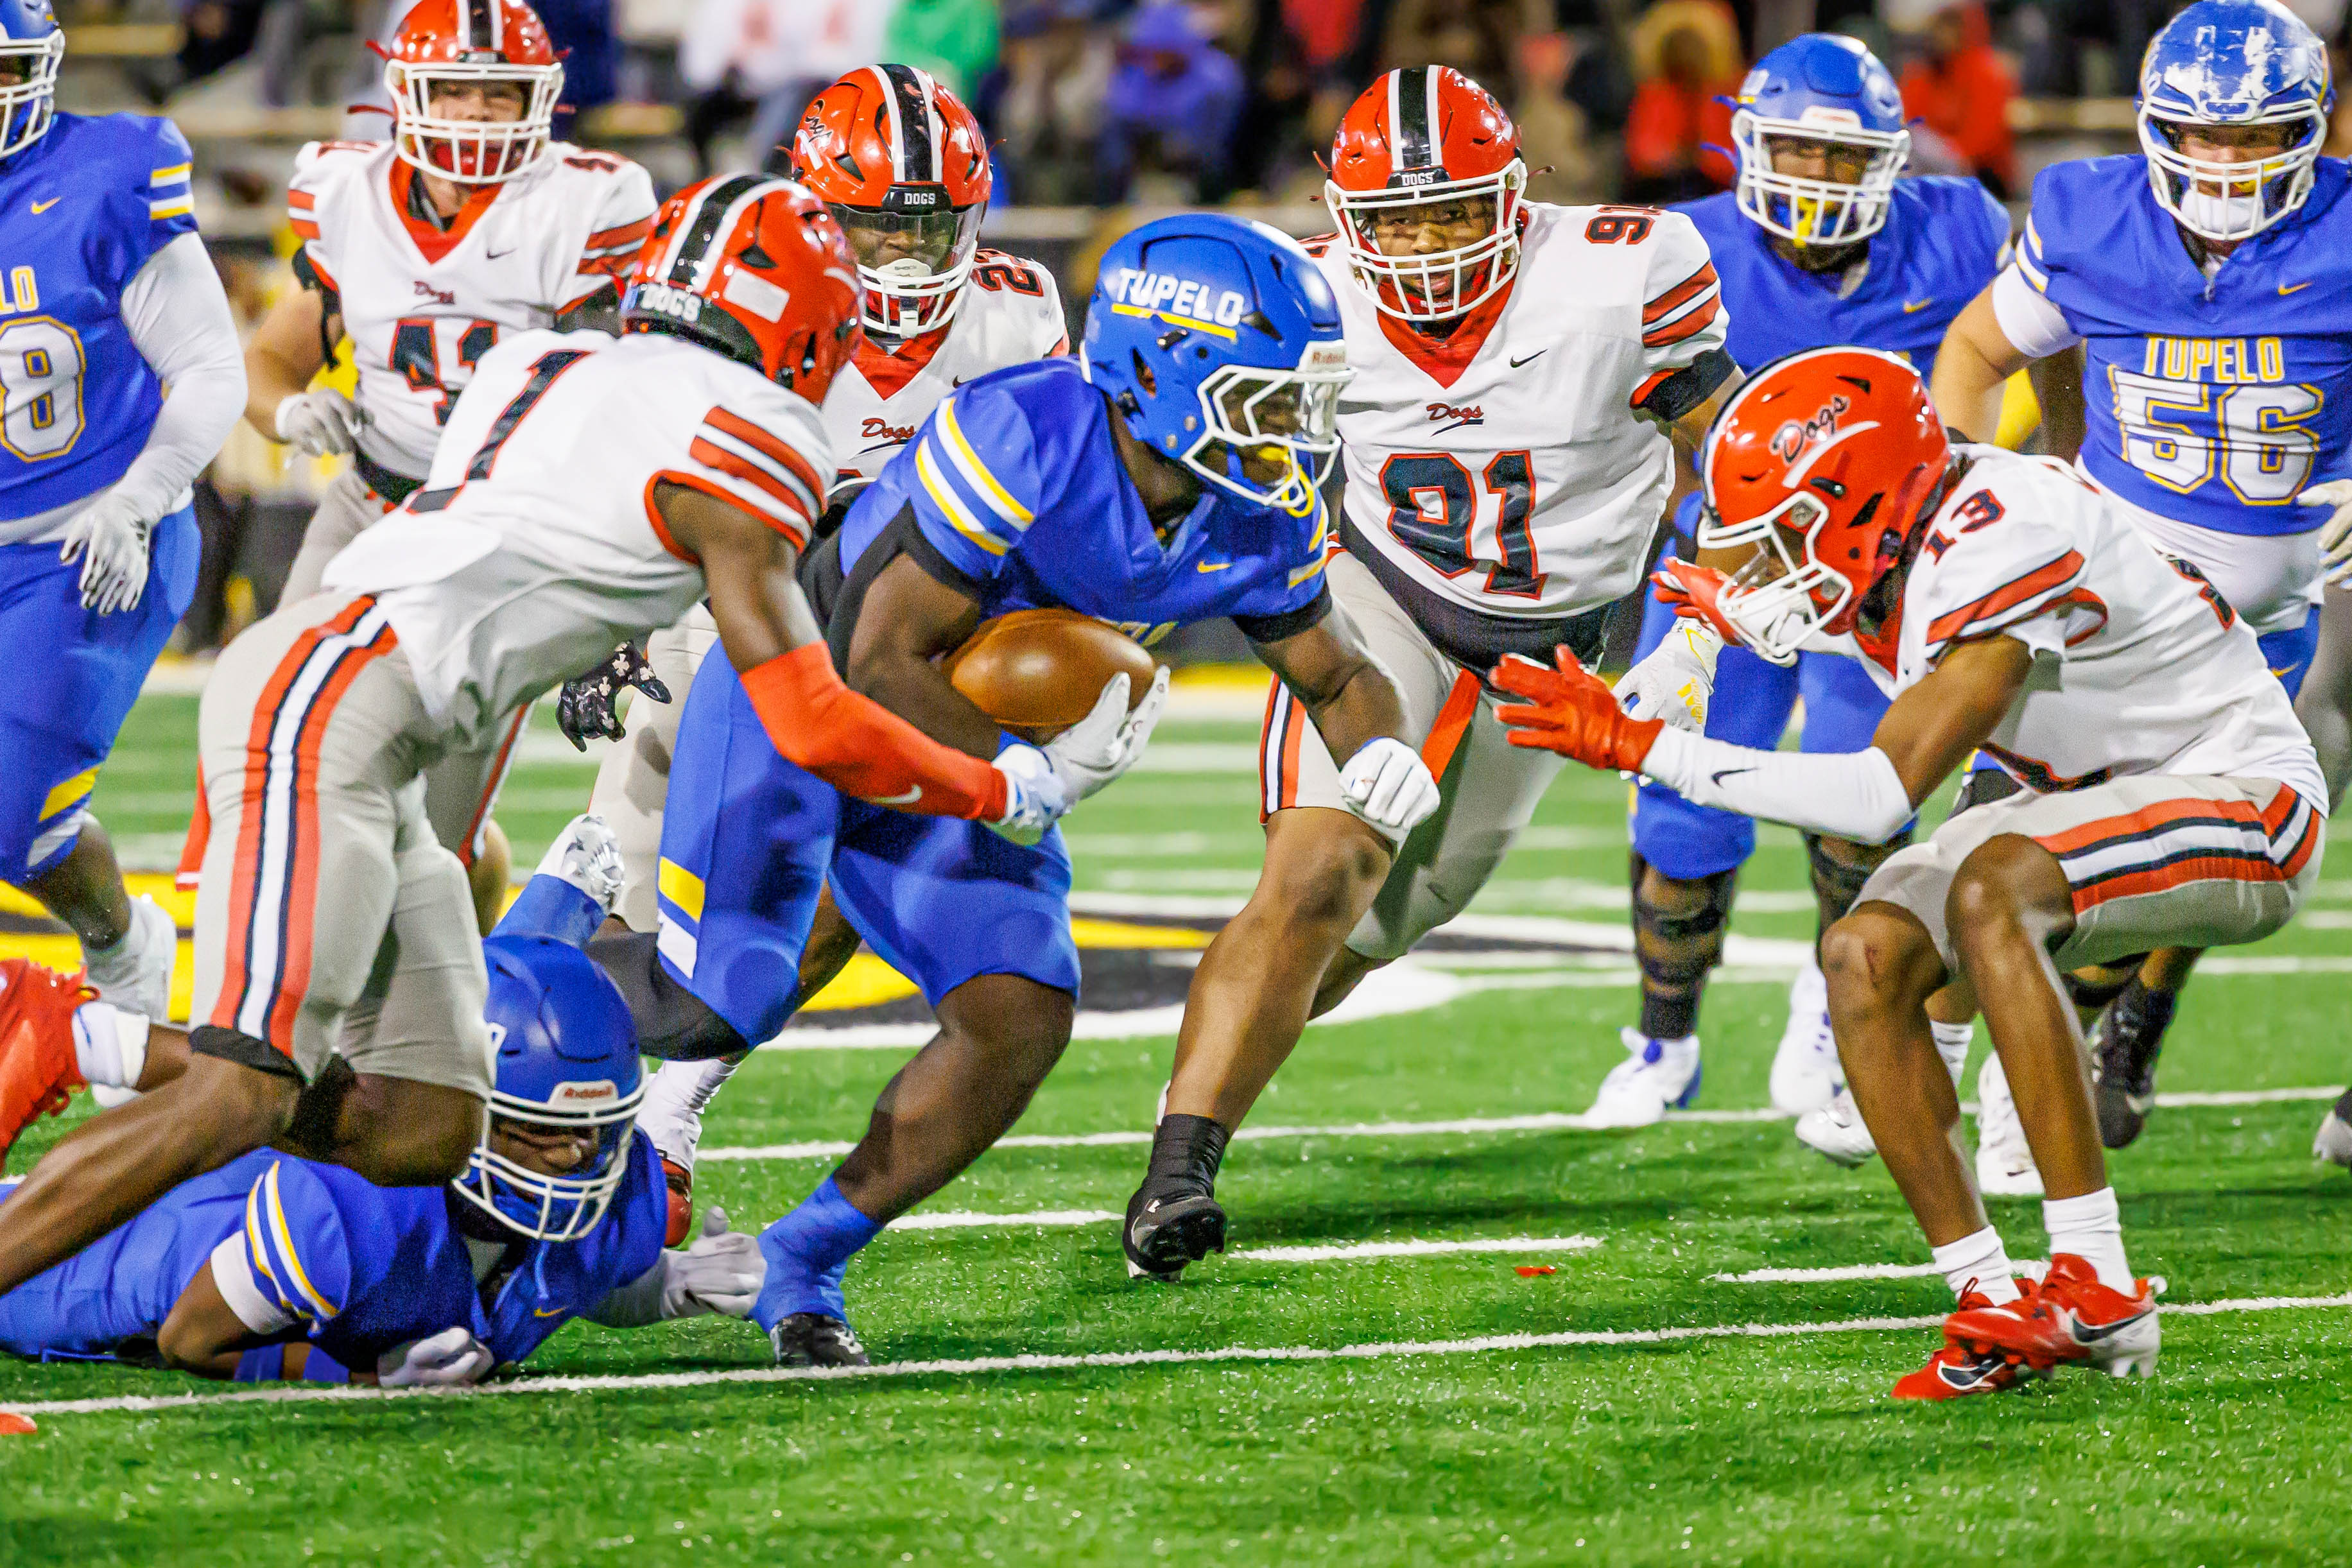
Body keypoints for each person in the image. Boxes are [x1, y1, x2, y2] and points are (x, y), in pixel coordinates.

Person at [0, 175, 1068, 1305]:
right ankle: (71, 1060)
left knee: (424, 1123)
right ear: (805, 319)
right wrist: (992, 786)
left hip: (364, 705)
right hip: (333, 710)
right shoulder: (762, 429)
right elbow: (806, 712)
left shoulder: (540, 360)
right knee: (241, 1090)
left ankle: (87, 1043)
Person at [623, 212, 1437, 1365]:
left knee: (1016, 1017)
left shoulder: (1254, 501)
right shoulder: (1026, 428)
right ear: (1158, 372)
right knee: (713, 997)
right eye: (1265, 400)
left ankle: (797, 1260)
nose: (1291, 435)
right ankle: (506, 1026)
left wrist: (1377, 751)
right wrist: (1019, 776)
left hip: (975, 750)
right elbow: (877, 658)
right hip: (797, 701)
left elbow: (1338, 667)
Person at [1496, 348, 2324, 1398]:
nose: (1767, 563)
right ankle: (1984, 1294)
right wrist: (1700, 637)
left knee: (1987, 893)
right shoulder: (1906, 523)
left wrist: (1641, 749)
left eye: (1786, 534)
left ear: (1860, 505)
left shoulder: (1996, 539)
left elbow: (1876, 797)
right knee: (1863, 951)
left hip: (2239, 798)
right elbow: (1803, 591)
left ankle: (2095, 1281)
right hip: (2082, 802)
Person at [1120, 66, 1735, 1282]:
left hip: (1553, 638)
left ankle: (1217, 1072)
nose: (1423, 243)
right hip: (1377, 594)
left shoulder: (1627, 269)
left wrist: (1705, 621)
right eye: (1395, 218)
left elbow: (1725, 443)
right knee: (1318, 870)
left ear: (1511, 196)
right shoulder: (1307, 295)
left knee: (1386, 918)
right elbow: (1229, 478)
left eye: (1450, 210)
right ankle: (1176, 1167)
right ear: (1344, 214)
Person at [575, 64, 1072, 1244]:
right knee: (632, 895)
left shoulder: (1013, 308)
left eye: (927, 230)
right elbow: (645, 455)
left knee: (816, 901)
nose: (903, 264)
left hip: (913, 644)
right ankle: (514, 1096)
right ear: (810, 216)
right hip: (727, 616)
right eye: (872, 231)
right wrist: (615, 622)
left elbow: (1050, 487)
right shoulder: (750, 287)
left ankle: (664, 1122)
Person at [1929, 0, 2352, 1177]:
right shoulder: (2089, 213)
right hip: (2097, 593)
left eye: (2254, 137)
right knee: (1979, 838)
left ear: (2308, 130)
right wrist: (1972, 496)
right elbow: (1972, 356)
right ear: (2153, 125)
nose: (2222, 163)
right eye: (2199, 135)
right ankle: (1926, 1051)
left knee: (2134, 882)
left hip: (2251, 629)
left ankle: (2035, 1086)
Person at [1605, 35, 2012, 1141]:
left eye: (1841, 158)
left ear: (1889, 160)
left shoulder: (1958, 226)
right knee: (1677, 824)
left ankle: (1843, 1020)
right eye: (1795, 151)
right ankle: (1661, 1038)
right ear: (1744, 143)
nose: (1818, 179)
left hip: (1880, 581)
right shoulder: (1679, 246)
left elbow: (2033, 342)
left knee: (1860, 820)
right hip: (1720, 566)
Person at [0, 825, 765, 1384]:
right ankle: (73, 1033)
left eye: (595, 1129)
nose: (576, 1156)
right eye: (543, 1129)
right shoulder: (356, 1204)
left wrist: (664, 1286)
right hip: (70, 1273)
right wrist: (358, 1378)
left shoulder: (606, 1182)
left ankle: (85, 1036)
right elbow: (191, 1335)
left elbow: (561, 1273)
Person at [239, 0, 657, 935]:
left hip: (495, 534)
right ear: (405, 94)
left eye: (497, 92)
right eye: (454, 89)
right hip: (368, 500)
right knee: (284, 749)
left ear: (540, 100)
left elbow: (622, 404)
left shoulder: (583, 204)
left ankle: (449, 956)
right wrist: (292, 408)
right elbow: (271, 359)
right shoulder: (345, 193)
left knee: (428, 832)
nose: (473, 113)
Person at [0, 0, 244, 1032]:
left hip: (89, 540)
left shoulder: (103, 176)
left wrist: (138, 503)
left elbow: (210, 371)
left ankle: (121, 940)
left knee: (12, 814)